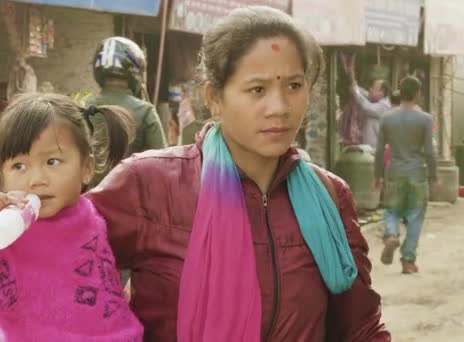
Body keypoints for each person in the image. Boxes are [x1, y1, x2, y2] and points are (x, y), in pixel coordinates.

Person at [88, 6, 390, 342]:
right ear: (214, 98)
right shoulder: (148, 184)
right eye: (257, 90)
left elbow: (360, 327)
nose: (279, 107)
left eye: (294, 85)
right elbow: (54, 262)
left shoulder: (329, 196)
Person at [0, 93, 143, 341]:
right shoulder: (6, 237)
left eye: (52, 161)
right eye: (19, 166)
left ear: (86, 168)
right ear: (1, 174)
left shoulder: (92, 214)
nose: (37, 180)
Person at [375, 76, 436, 274]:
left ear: (400, 93)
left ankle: (391, 234)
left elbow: (378, 150)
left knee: (391, 211)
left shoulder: (387, 118)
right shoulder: (425, 119)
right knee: (415, 216)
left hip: (394, 171)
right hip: (417, 173)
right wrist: (433, 175)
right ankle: (408, 261)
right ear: (418, 93)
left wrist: (378, 175)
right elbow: (429, 151)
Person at [90, 37, 167, 161]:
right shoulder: (145, 111)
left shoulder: (84, 107)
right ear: (136, 72)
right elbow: (162, 160)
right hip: (132, 180)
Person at [348, 68, 391, 149]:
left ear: (381, 92)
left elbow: (367, 107)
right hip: (369, 146)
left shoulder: (385, 106)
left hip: (375, 148)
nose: (370, 89)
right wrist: (354, 85)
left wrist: (355, 91)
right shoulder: (375, 100)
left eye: (373, 88)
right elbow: (365, 94)